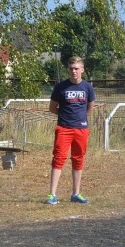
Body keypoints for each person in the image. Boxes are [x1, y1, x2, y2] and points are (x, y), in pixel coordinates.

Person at [45, 56, 95, 205]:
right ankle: (52, 194)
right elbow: (52, 108)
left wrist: (80, 119)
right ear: (68, 70)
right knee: (58, 159)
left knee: (78, 159)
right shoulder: (60, 87)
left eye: (76, 68)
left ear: (82, 70)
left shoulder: (88, 87)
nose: (74, 71)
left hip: (81, 129)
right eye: (71, 69)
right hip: (64, 128)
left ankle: (76, 193)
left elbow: (90, 108)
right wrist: (66, 117)